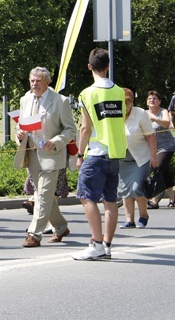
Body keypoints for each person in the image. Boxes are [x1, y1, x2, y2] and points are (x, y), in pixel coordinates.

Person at [72, 48, 127, 261]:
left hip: (95, 152)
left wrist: (79, 153)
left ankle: (95, 243)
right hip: (114, 151)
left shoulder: (87, 93)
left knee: (86, 197)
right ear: (108, 67)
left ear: (89, 67)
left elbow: (85, 128)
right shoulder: (120, 91)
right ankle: (107, 245)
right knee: (110, 200)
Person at [14, 67, 77, 247]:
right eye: (32, 80)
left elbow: (70, 129)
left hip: (52, 154)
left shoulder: (60, 101)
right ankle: (61, 226)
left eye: (38, 81)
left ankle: (34, 234)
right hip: (32, 153)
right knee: (44, 195)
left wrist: (56, 141)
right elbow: (23, 125)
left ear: (47, 82)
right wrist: (20, 134)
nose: (34, 84)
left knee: (41, 195)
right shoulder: (25, 99)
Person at [117, 88, 157, 229]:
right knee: (125, 190)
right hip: (122, 159)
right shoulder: (115, 114)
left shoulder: (140, 113)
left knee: (137, 189)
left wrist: (154, 156)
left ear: (131, 103)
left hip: (140, 158)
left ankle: (143, 215)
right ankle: (129, 220)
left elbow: (150, 136)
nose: (124, 107)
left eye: (126, 103)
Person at [146, 91, 175, 208]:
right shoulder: (144, 114)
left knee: (158, 168)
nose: (152, 100)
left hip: (166, 146)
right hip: (152, 147)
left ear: (159, 101)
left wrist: (155, 119)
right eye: (149, 98)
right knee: (163, 171)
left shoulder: (163, 112)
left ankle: (155, 200)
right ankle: (172, 197)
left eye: (155, 98)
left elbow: (166, 123)